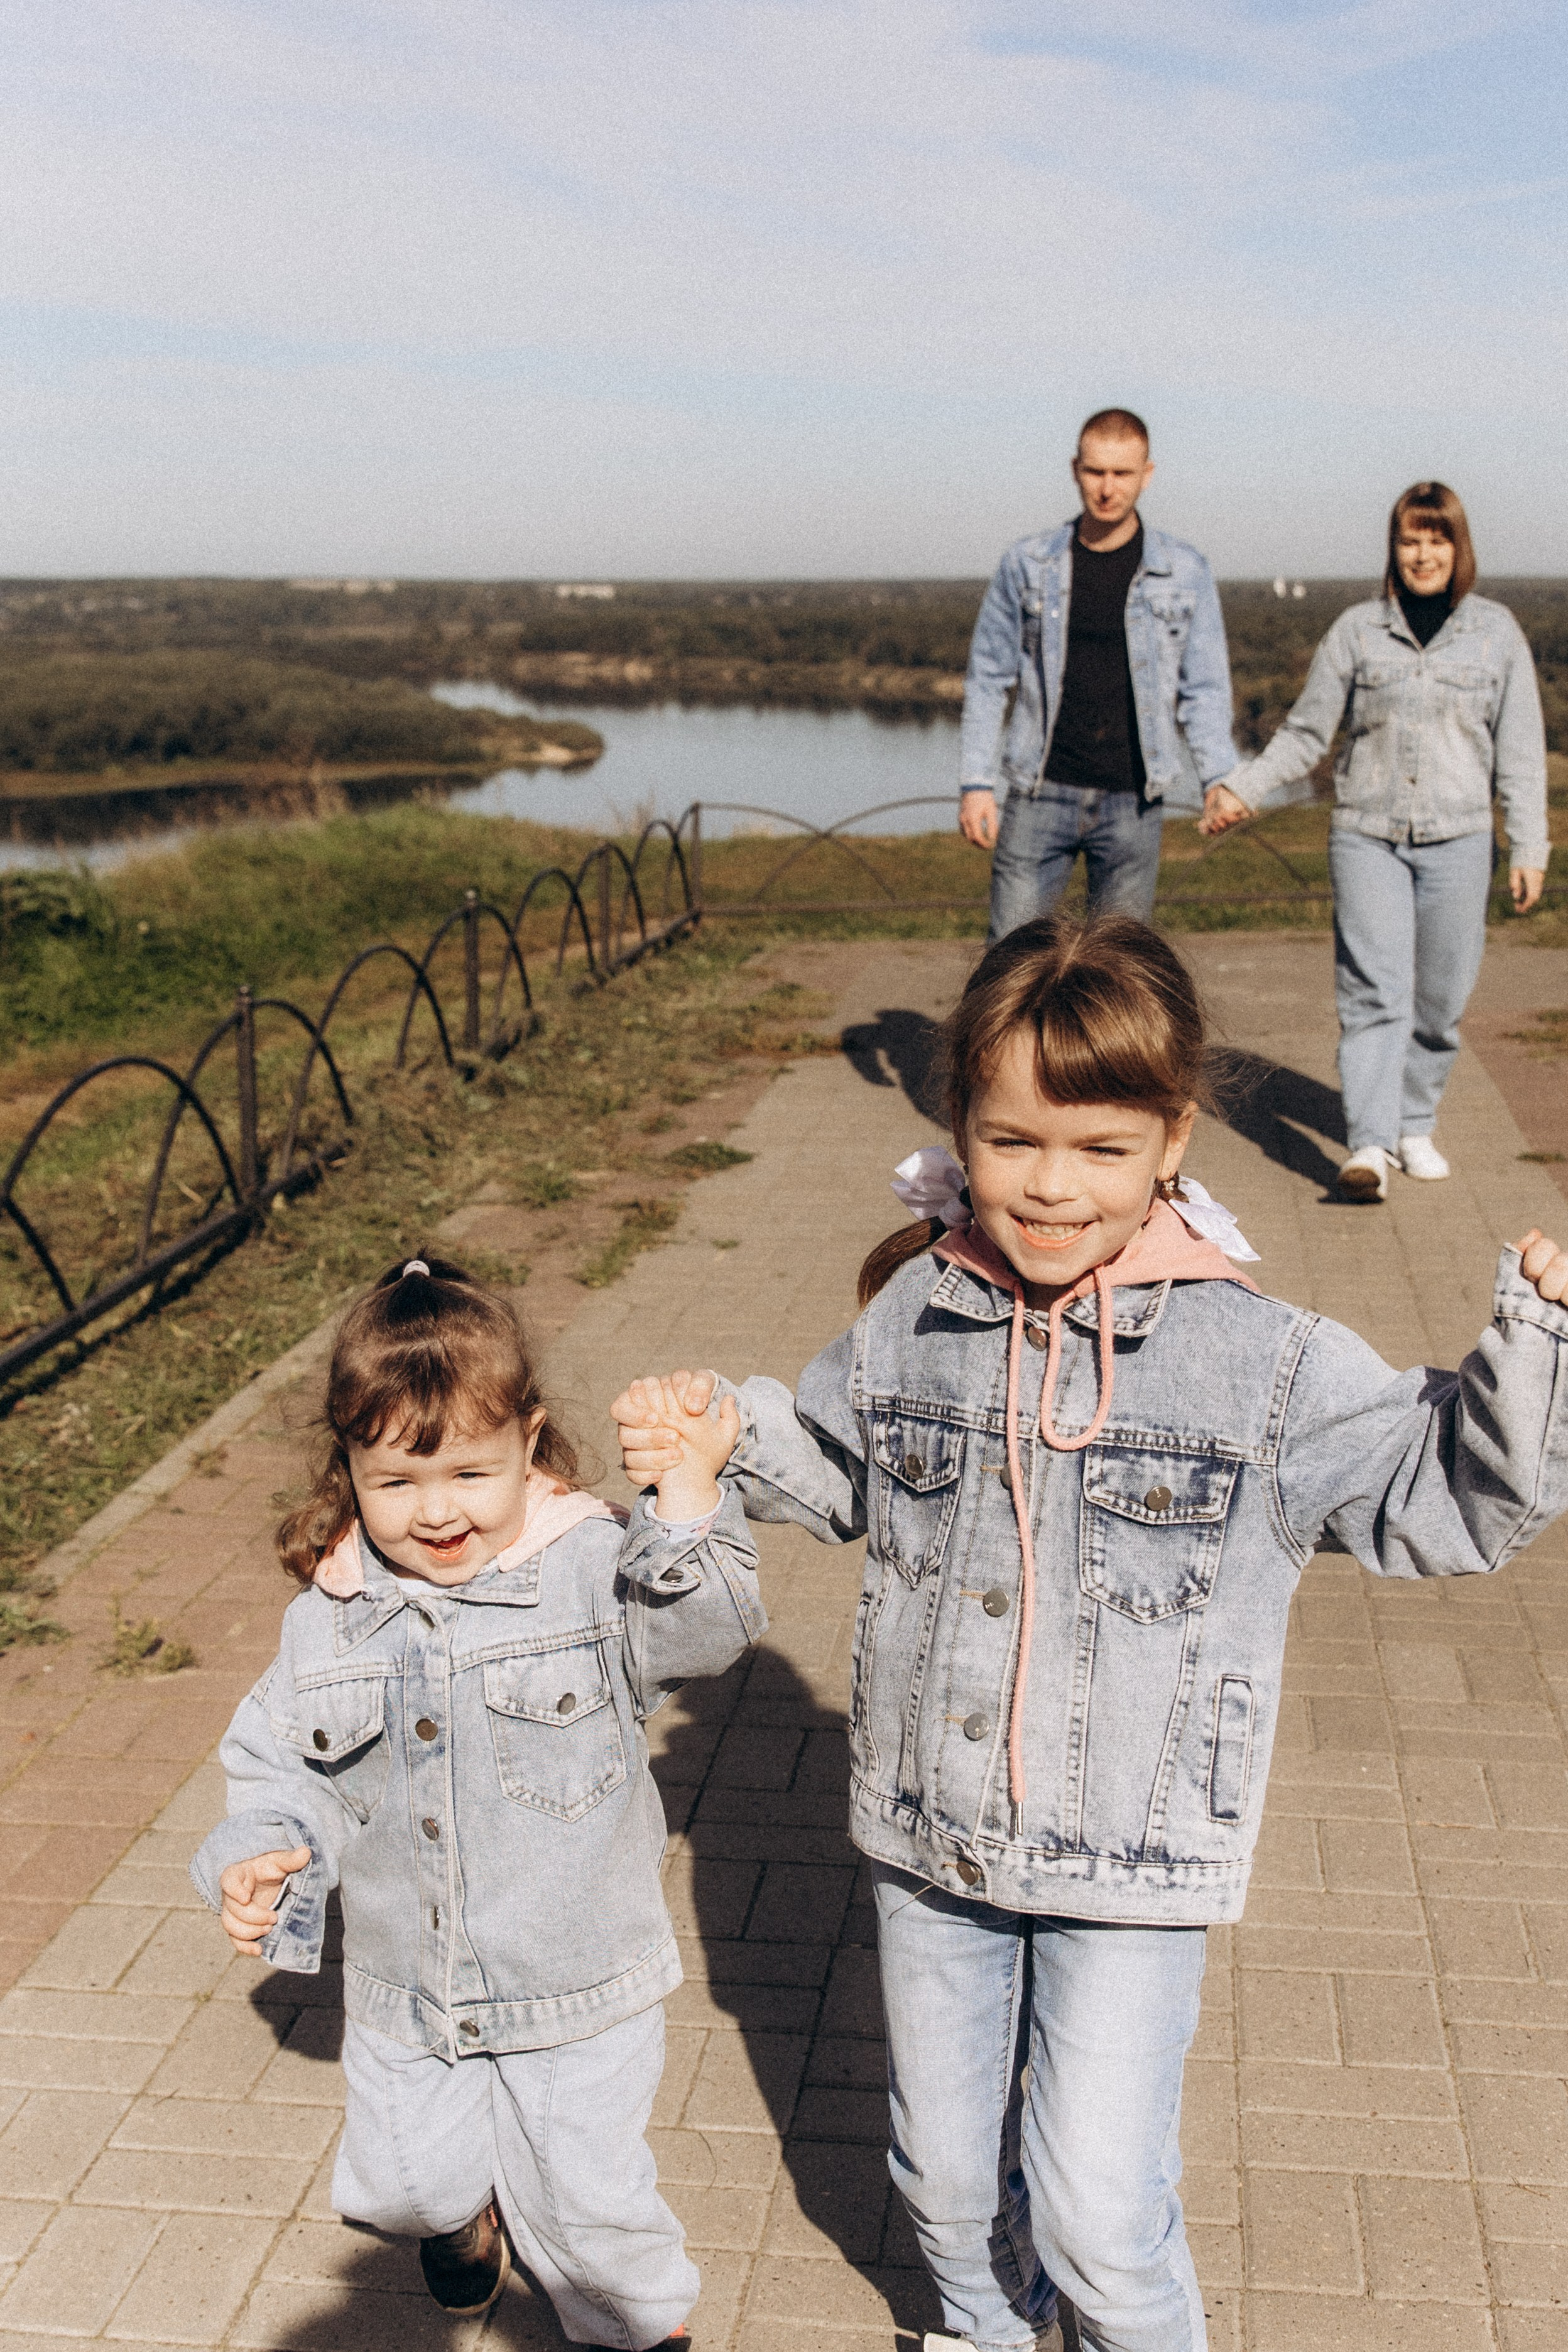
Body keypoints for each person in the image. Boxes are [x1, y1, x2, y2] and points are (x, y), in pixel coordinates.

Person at [611, 914, 1568, 2352]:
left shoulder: (1262, 1361)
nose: (1050, 1186)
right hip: (929, 1842)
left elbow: (1449, 1503)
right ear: (958, 1125)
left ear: (1170, 1134)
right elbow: (840, 1471)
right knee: (938, 2182)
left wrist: (1535, 1340)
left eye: (1100, 1148)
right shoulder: (914, 1315)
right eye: (1010, 1142)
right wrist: (728, 1429)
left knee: (1097, 2213)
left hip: (1131, 1859)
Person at [190, 1256, 757, 2340]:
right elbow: (279, 1761)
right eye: (396, 1482)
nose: (437, 1511)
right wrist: (260, 1845)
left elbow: (703, 1630)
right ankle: (463, 2221)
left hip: (578, 1977)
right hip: (413, 1987)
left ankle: (642, 2330)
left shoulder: (592, 1565)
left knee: (591, 2214)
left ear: (529, 1440)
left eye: (468, 1472)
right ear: (348, 1467)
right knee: (405, 2187)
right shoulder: (333, 1616)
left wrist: (685, 1500)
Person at [1201, 480, 1550, 1202]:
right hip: (1368, 837)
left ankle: (1413, 1122)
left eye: (1437, 539)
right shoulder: (1358, 631)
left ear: (1459, 548)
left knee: (1440, 1000)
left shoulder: (1496, 633)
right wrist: (1245, 787)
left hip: (1460, 840)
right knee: (1373, 993)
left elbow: (1519, 749)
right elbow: (1305, 733)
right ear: (1394, 549)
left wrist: (1530, 846)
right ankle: (1366, 1146)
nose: (1423, 554)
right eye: (1410, 540)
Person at [958, 408, 1241, 935]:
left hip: (1133, 800)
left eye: (1122, 473)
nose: (1108, 488)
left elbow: (1203, 688)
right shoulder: (1028, 564)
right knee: (1011, 963)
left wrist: (1218, 778)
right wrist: (977, 783)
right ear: (1076, 470)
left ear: (1147, 474)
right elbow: (987, 676)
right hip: (1040, 790)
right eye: (1096, 472)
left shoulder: (1184, 571)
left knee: (1119, 974)